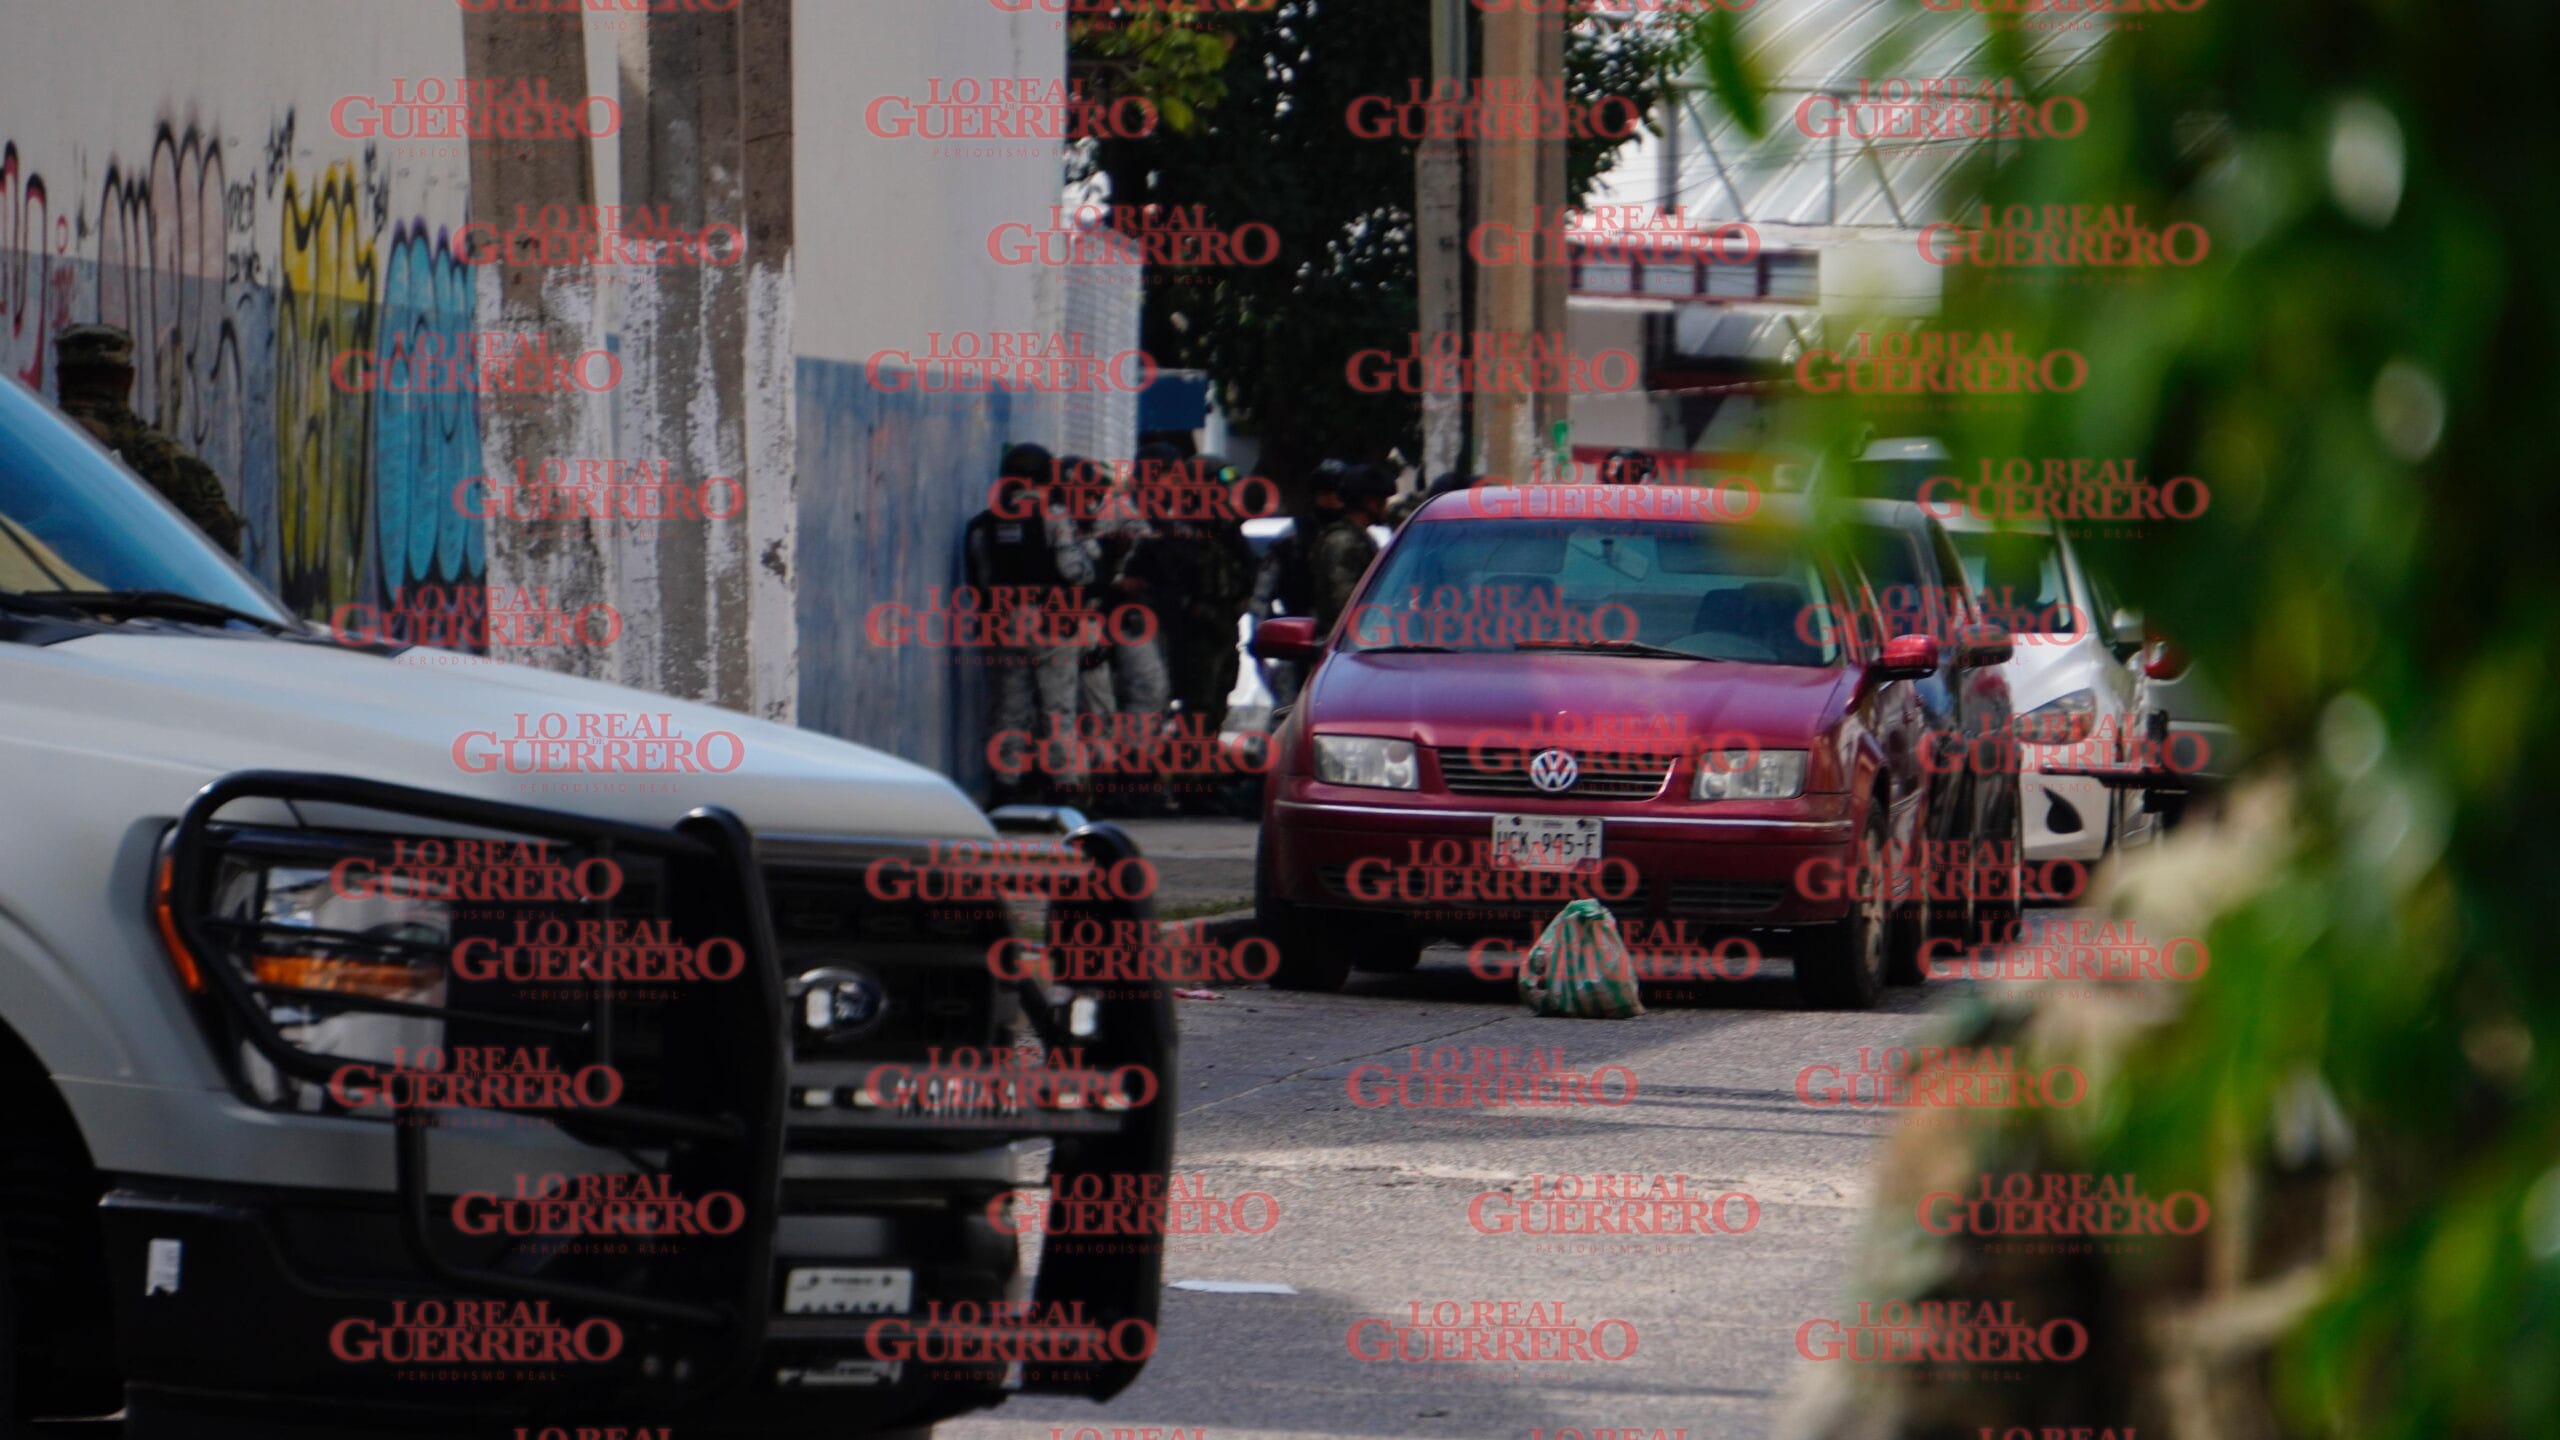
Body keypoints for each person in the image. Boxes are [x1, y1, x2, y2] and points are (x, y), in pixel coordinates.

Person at [963, 442, 1098, 805]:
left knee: (1009, 709)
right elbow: (1076, 572)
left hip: (1005, 625)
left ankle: (1006, 786)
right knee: (1058, 711)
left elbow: (982, 581)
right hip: (1052, 625)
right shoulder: (1053, 516)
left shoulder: (983, 523)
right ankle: (1064, 789)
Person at [54, 324, 244, 554]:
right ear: (128, 379)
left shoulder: (28, 449)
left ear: (61, 378)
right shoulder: (168, 461)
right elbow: (222, 551)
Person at [1250, 459, 1351, 711]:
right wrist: (1261, 636)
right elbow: (1262, 592)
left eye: (1337, 494)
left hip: (1347, 642)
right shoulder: (1294, 536)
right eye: (1325, 494)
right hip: (1297, 637)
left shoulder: (1358, 538)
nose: (1331, 500)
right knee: (1290, 711)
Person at [1311, 464, 1391, 637]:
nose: (1386, 508)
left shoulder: (1360, 538)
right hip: (1347, 644)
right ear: (1369, 503)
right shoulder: (1343, 543)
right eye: (1382, 502)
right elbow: (1347, 603)